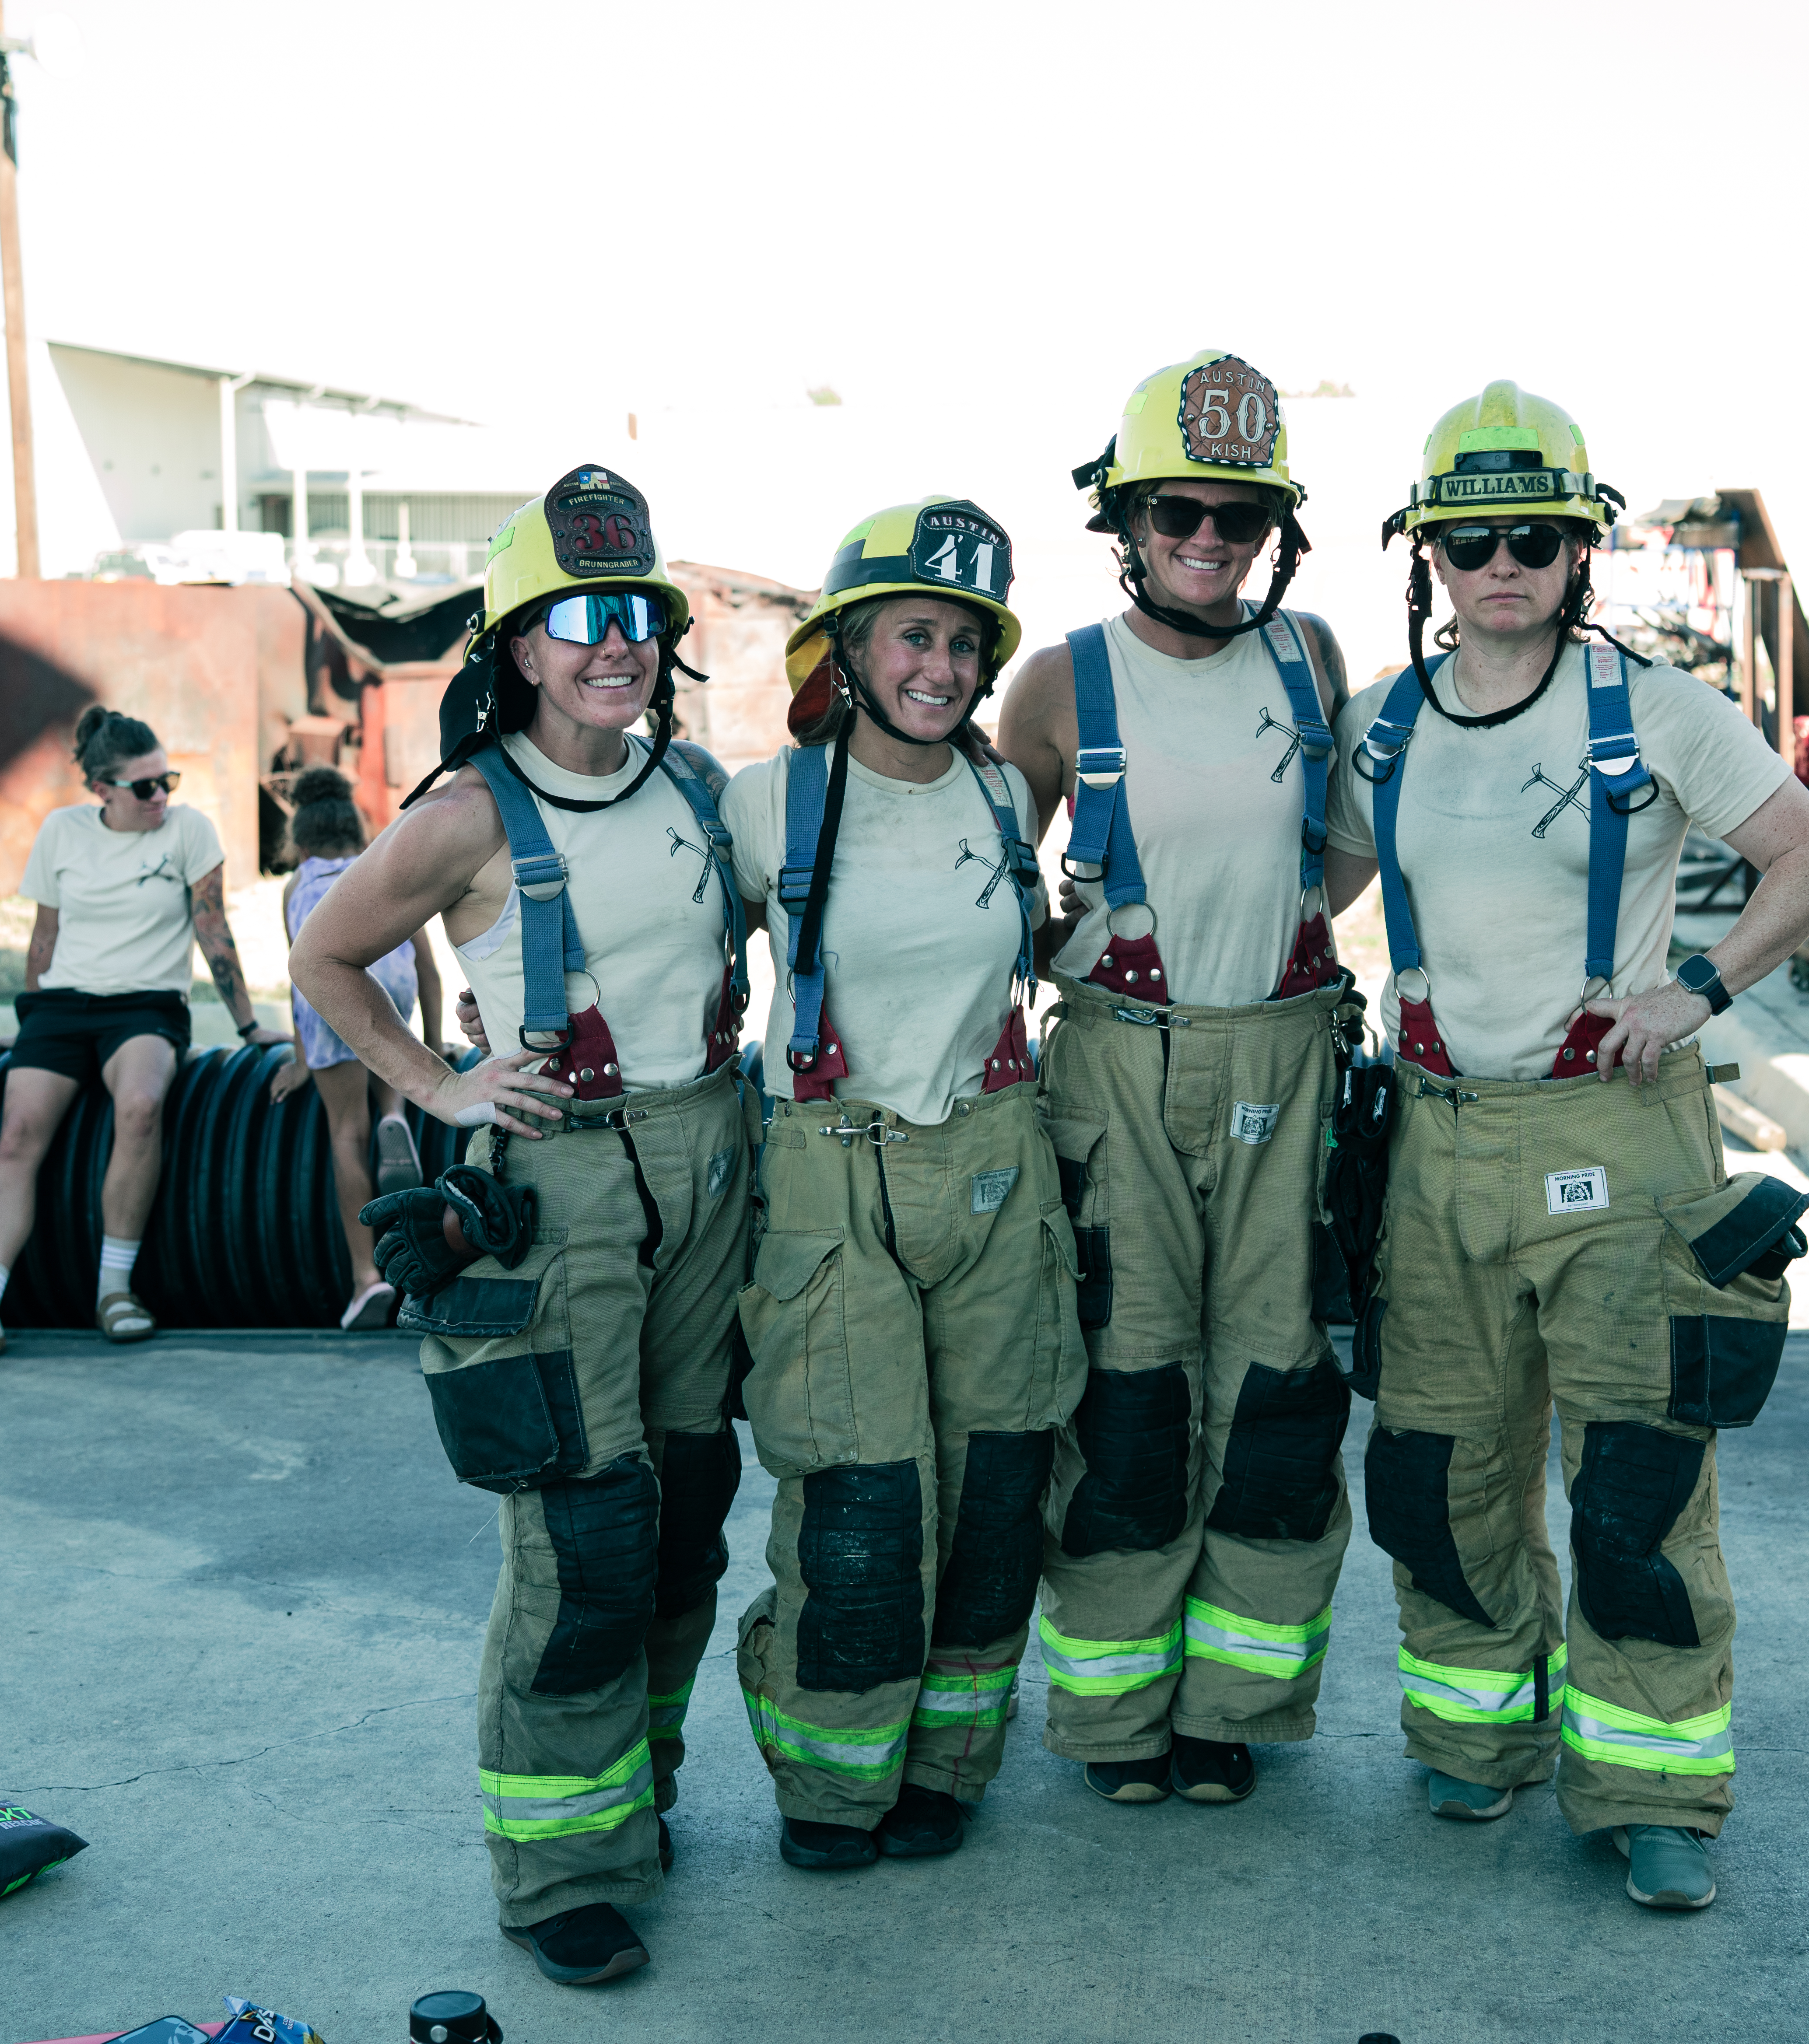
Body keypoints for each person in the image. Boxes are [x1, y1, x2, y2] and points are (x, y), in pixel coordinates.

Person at [1322, 382, 1809, 1911]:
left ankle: (1649, 1790)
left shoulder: (1657, 704)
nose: (1502, 563)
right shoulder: (1385, 724)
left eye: (1534, 537)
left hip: (1615, 1141)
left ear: (1578, 552)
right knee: (1435, 1470)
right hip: (1432, 1141)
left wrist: (1689, 989)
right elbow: (1318, 886)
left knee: (1629, 1481)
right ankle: (1473, 1737)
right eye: (1469, 537)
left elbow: (1806, 857)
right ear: (1425, 553)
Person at [289, 466, 751, 1990]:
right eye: (576, 622)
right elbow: (327, 957)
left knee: (683, 1505)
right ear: (517, 648)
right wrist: (442, 1082)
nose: (614, 645)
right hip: (555, 1187)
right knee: (581, 1524)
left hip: (704, 1160)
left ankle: (639, 1796)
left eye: (634, 618)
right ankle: (555, 1867)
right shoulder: (470, 810)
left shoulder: (686, 785)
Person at [991, 352, 1363, 1808]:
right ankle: (1112, 1719)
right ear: (1122, 520)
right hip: (1116, 1069)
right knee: (1133, 1388)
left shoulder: (1310, 657)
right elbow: (980, 879)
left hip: (1282, 1049)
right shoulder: (1050, 684)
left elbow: (1344, 837)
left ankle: (1232, 1713)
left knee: (1273, 1386)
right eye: (1176, 514)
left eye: (1237, 518)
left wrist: (1290, 929)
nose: (1208, 541)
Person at [719, 498, 1087, 1871]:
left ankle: (945, 1767)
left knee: (996, 1494)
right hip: (833, 1178)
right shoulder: (762, 805)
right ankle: (829, 1786)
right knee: (862, 1510)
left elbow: (1030, 938)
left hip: (996, 1167)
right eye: (909, 635)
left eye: (959, 641)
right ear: (850, 649)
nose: (936, 666)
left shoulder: (1003, 795)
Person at [0, 706, 284, 1369]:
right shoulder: (62, 832)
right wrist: (29, 1024)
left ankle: (114, 1289)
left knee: (141, 1106)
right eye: (143, 787)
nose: (161, 797)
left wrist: (250, 1025)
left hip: (146, 1007)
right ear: (101, 790)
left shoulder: (188, 833)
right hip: (61, 1007)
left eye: (166, 779)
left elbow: (213, 931)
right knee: (18, 1131)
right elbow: (44, 936)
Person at [267, 765, 443, 1330]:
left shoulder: (297, 887)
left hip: (331, 993)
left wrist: (301, 1059)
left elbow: (303, 974)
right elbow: (427, 967)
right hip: (391, 982)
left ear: (301, 839)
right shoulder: (385, 867)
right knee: (386, 1060)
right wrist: (434, 1046)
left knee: (347, 1132)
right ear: (356, 826)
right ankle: (394, 1113)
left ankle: (365, 1278)